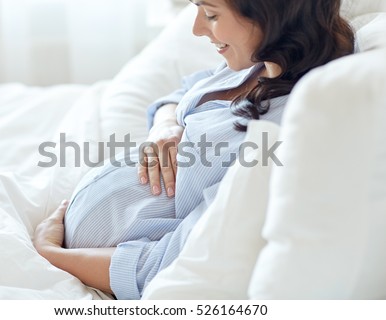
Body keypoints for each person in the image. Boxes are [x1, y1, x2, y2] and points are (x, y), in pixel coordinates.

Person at [33, 0, 354, 299]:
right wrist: (166, 125)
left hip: (88, 267)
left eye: (211, 14)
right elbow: (181, 93)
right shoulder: (256, 65)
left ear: (271, 15)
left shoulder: (277, 133)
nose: (197, 29)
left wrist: (52, 255)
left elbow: (171, 262)